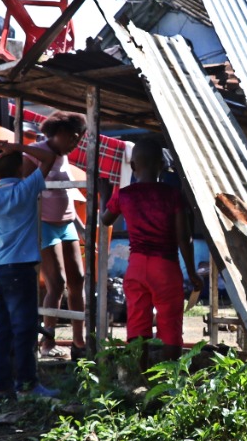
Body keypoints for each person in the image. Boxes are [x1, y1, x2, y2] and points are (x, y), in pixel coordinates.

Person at [0, 139, 64, 400]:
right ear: (21, 167)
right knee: (24, 329)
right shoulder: (27, 188)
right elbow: (48, 158)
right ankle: (28, 384)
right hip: (22, 269)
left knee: (2, 329)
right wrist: (18, 146)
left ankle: (1, 386)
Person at [99, 138, 202, 366]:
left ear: (133, 166)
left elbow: (105, 220)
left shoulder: (124, 195)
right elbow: (184, 239)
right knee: (170, 323)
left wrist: (105, 194)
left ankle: (140, 377)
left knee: (137, 323)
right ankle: (170, 379)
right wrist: (192, 272)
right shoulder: (172, 195)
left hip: (136, 266)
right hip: (165, 267)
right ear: (163, 166)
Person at [25, 111, 88, 359]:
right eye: (72, 138)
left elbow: (68, 194)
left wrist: (80, 226)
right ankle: (47, 341)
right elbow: (24, 190)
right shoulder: (33, 152)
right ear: (58, 133)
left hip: (67, 223)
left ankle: (79, 341)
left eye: (78, 139)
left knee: (79, 279)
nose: (75, 144)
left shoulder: (64, 157)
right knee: (57, 282)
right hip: (44, 225)